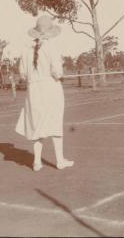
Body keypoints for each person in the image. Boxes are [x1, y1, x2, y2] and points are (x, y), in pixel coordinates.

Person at [15, 15, 74, 171]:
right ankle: (60, 161)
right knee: (55, 123)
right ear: (50, 33)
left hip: (33, 91)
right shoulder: (51, 47)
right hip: (51, 88)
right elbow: (57, 72)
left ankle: (37, 162)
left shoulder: (26, 49)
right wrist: (60, 75)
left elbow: (22, 74)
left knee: (37, 125)